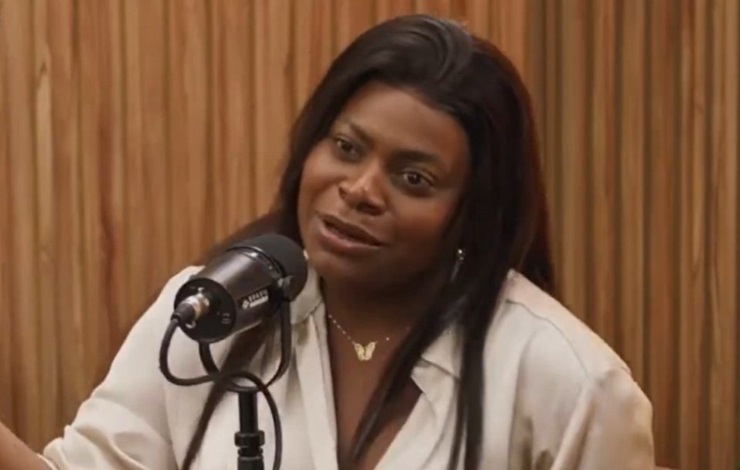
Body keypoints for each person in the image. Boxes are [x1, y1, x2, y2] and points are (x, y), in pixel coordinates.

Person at [0, 13, 655, 470]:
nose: (360, 189)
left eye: (414, 178)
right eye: (346, 147)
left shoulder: (570, 382)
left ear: (475, 213)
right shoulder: (213, 310)